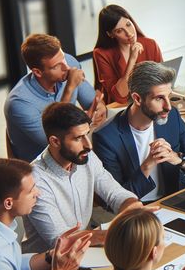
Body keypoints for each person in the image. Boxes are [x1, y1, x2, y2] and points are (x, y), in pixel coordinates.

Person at [23, 102, 143, 254]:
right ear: (55, 141)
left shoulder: (85, 156)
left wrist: (132, 207)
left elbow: (114, 192)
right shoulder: (35, 179)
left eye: (87, 134)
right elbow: (60, 240)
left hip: (84, 251)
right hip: (49, 265)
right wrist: (115, 234)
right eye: (78, 138)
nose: (89, 145)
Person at [93, 61, 185, 201]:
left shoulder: (172, 116)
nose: (168, 106)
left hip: (175, 200)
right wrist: (147, 165)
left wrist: (178, 159)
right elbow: (115, 199)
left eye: (169, 96)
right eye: (159, 98)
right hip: (138, 212)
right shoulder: (105, 137)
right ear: (137, 99)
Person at [5, 34, 107, 162]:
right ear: (37, 72)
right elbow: (54, 140)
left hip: (73, 145)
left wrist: (99, 109)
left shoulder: (67, 64)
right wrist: (69, 87)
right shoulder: (20, 103)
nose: (66, 67)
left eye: (63, 58)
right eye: (56, 66)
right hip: (41, 164)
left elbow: (92, 102)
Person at [92, 4, 163, 105]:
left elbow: (163, 80)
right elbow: (120, 96)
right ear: (110, 34)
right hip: (121, 107)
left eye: (128, 24)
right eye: (119, 31)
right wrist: (132, 59)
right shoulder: (101, 54)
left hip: (150, 102)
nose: (128, 33)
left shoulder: (150, 44)